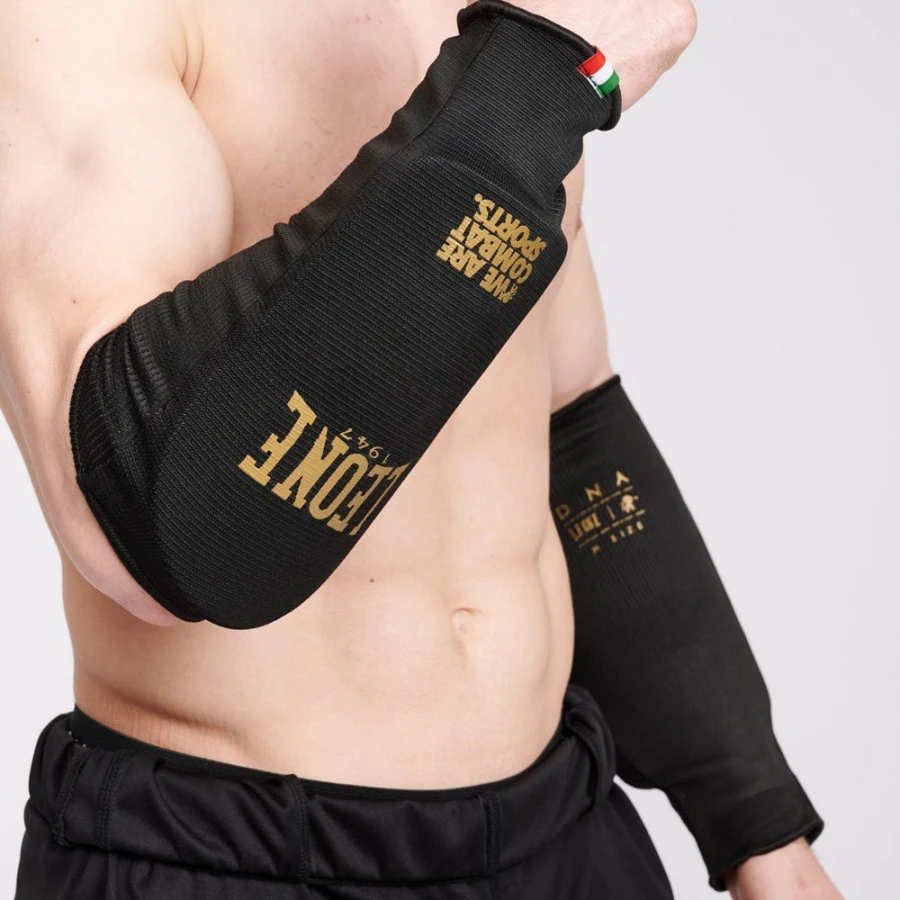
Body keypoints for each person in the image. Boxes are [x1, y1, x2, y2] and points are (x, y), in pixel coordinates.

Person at [0, 0, 842, 897]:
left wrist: (755, 818)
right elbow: (144, 512)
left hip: (561, 826)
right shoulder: (87, 19)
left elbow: (568, 419)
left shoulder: (508, 25)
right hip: (232, 852)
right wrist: (533, 84)